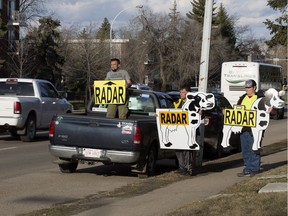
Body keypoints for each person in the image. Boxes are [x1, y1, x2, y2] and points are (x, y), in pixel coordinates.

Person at [237, 79, 268, 177]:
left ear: (254, 87)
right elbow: (237, 110)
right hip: (243, 128)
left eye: (249, 87)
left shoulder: (260, 98)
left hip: (255, 129)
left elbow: (267, 110)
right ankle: (247, 168)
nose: (247, 89)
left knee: (254, 148)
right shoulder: (243, 98)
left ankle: (254, 168)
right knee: (245, 149)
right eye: (246, 87)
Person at [174, 85, 195, 176]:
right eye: (180, 92)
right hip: (178, 131)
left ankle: (188, 168)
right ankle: (181, 167)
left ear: (188, 93)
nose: (181, 94)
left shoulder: (193, 103)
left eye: (183, 92)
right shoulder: (178, 103)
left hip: (189, 131)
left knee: (187, 151)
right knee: (178, 150)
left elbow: (199, 114)